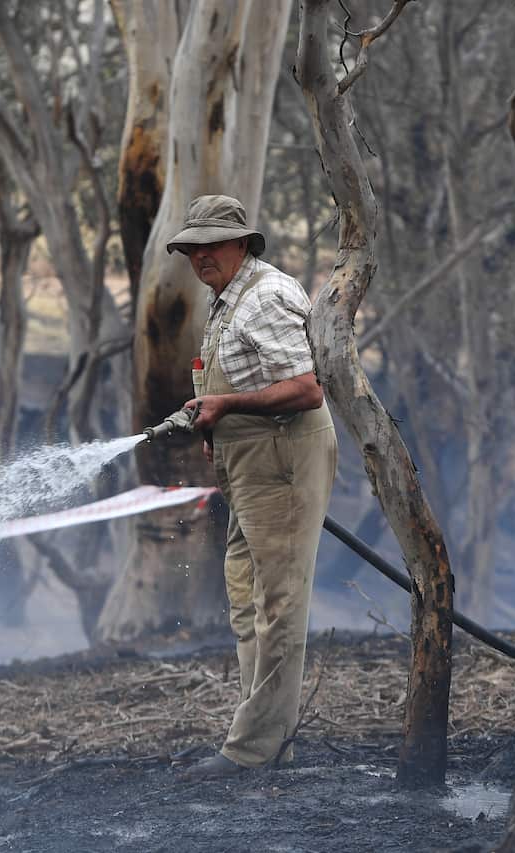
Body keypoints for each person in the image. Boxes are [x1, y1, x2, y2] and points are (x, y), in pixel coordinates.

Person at [167, 194, 338, 779]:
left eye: (212, 243)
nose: (202, 256)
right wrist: (216, 422)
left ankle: (252, 751)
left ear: (243, 243)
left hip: (282, 459)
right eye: (193, 247)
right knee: (247, 601)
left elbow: (307, 388)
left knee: (279, 605)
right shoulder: (226, 301)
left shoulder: (265, 297)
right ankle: (262, 738)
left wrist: (228, 406)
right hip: (249, 467)